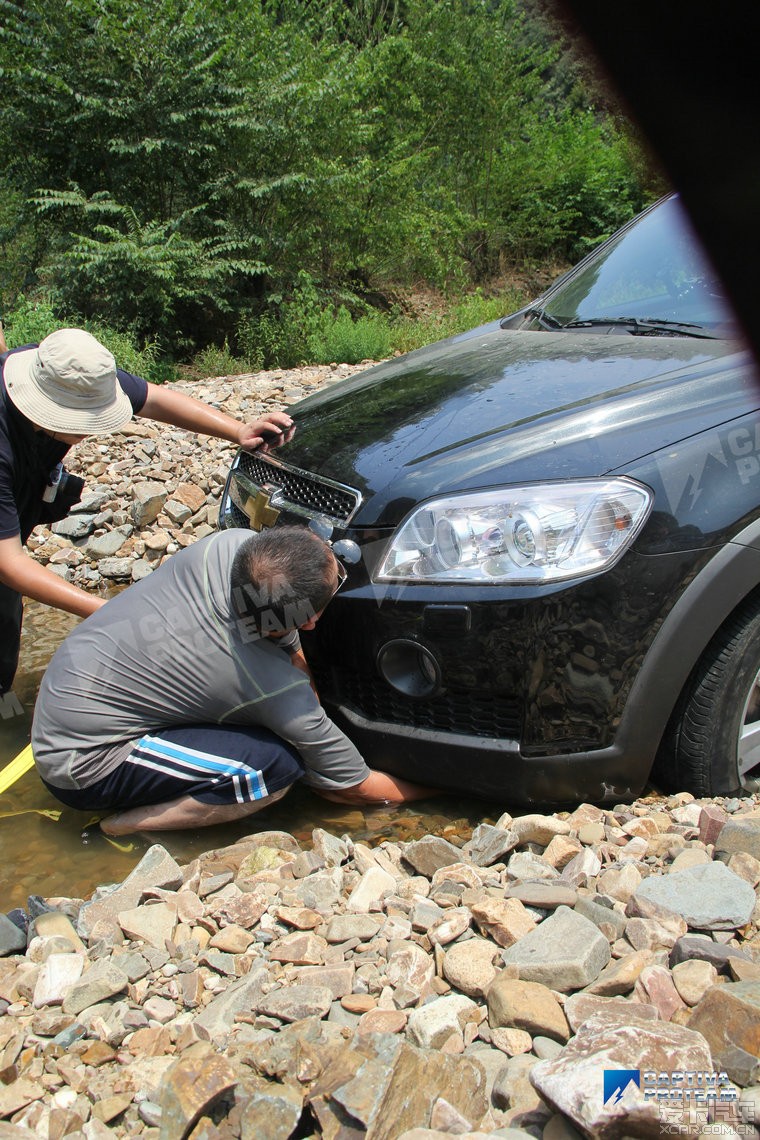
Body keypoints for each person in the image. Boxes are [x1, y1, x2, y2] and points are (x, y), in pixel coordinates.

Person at [31, 525, 434, 834]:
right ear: (311, 620)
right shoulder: (267, 686)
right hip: (84, 762)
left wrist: (301, 685)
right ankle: (125, 825)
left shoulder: (230, 547)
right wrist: (443, 788)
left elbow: (280, 625)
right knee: (273, 769)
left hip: (74, 677)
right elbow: (353, 788)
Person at [0, 327, 293, 696]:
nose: (89, 432)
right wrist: (113, 611)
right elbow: (8, 562)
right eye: (80, 425)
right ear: (44, 408)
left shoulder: (68, 367)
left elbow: (152, 398)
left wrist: (237, 429)